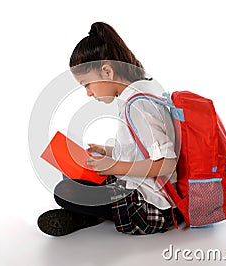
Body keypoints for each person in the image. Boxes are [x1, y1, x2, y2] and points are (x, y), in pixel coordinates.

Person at [38, 22, 183, 236]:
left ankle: (85, 216)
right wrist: (110, 152)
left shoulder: (138, 105)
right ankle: (88, 214)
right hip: (136, 188)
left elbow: (166, 164)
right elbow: (141, 150)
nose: (88, 93)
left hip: (150, 206)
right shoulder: (135, 96)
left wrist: (114, 167)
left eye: (86, 84)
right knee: (72, 171)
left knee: (65, 191)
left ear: (106, 71)